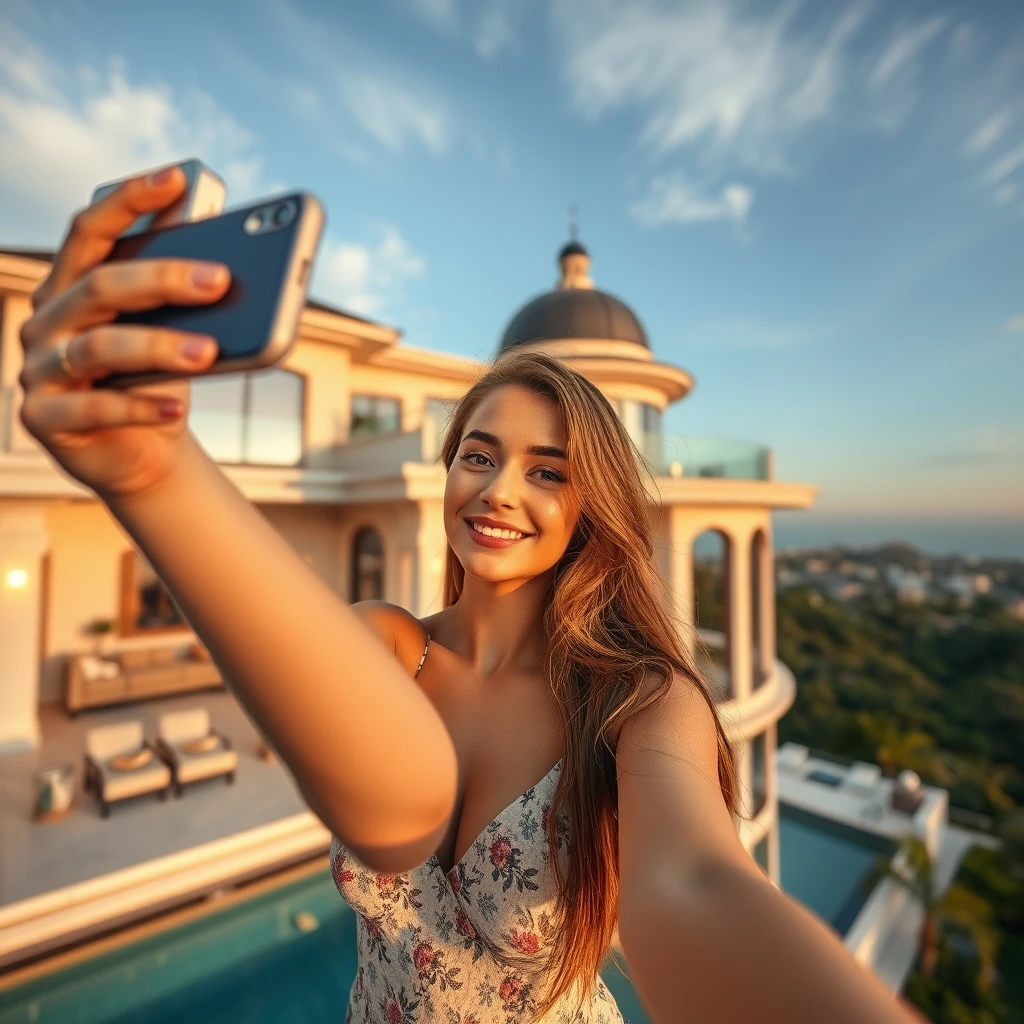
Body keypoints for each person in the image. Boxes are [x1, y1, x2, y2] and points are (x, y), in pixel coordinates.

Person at [17, 168, 923, 1023]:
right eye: (478, 456)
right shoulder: (387, 645)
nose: (497, 490)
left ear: (591, 508)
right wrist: (153, 474)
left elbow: (692, 887)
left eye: (547, 470)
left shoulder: (640, 702)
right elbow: (397, 799)